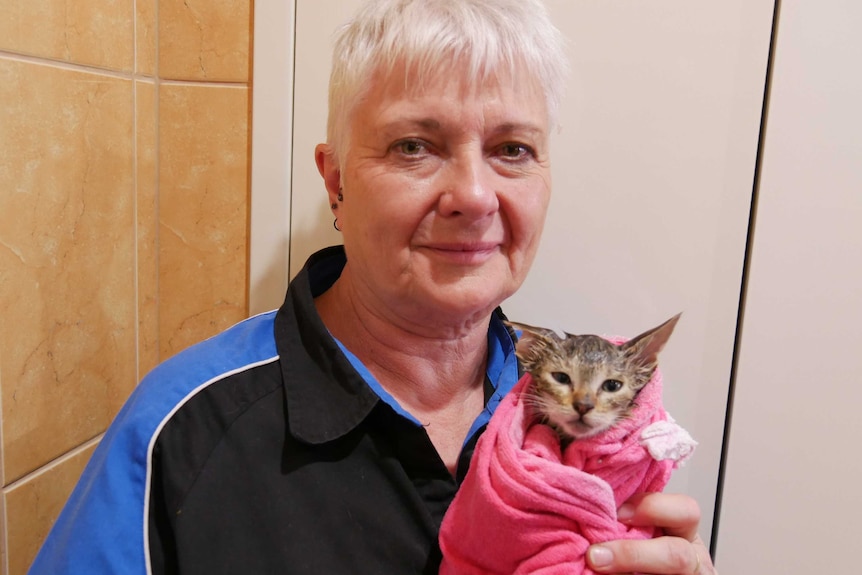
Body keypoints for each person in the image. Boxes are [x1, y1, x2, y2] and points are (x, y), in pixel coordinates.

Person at [30, 1, 716, 573]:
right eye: (414, 145)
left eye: (513, 149)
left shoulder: (590, 429)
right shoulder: (179, 435)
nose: (474, 196)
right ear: (336, 183)